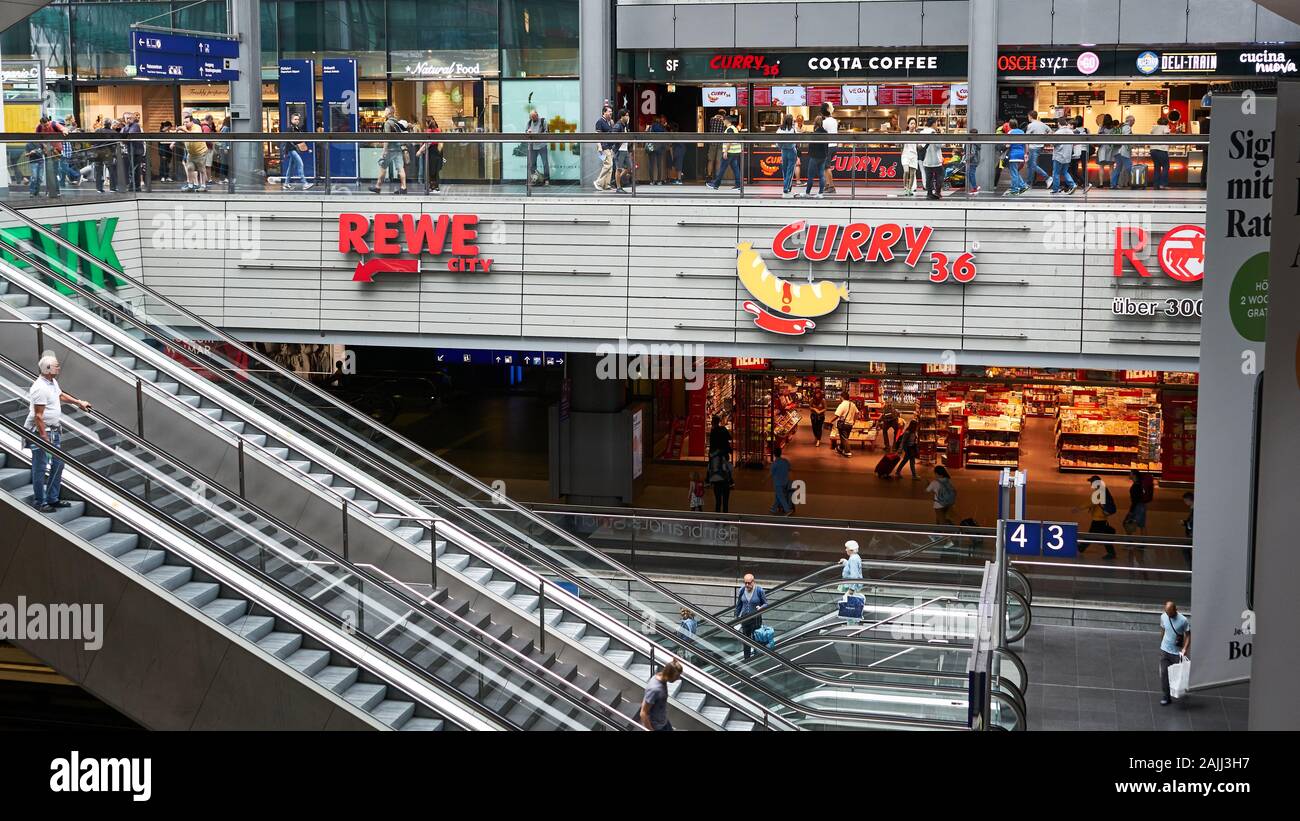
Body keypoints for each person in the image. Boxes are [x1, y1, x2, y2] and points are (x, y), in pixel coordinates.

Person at [26, 354, 93, 513]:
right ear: (47, 369)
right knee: (40, 467)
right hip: (40, 433)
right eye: (56, 365)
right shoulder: (39, 388)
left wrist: (79, 402)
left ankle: (52, 498)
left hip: (53, 430)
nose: (59, 367)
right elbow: (38, 416)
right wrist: (44, 439)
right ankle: (39, 501)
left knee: (58, 463)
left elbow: (60, 395)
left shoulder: (51, 382)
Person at [1158, 601, 1190, 706]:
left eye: (1170, 613)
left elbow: (1188, 635)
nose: (1168, 615)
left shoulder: (1183, 620)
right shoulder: (1163, 616)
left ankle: (1181, 689)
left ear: (1175, 610)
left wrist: (1185, 648)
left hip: (1176, 653)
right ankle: (1166, 696)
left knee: (1177, 675)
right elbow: (1162, 629)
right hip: (1165, 650)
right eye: (1166, 612)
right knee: (1164, 674)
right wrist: (1161, 643)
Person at [370, 106, 408, 195]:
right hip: (398, 148)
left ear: (390, 113)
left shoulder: (387, 123)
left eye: (386, 111)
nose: (384, 112)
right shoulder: (396, 122)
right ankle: (404, 187)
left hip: (390, 149)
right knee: (400, 168)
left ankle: (378, 187)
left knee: (383, 167)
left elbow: (387, 139)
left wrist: (384, 151)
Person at [1078, 475, 1117, 559]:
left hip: (1099, 518)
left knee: (1095, 535)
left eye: (1091, 482)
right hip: (1101, 517)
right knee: (1096, 534)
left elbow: (1091, 502)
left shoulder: (1100, 491)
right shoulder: (1102, 490)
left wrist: (1078, 508)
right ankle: (1082, 547)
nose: (1091, 484)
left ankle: (1111, 553)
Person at [639, 658, 683, 730]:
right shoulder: (655, 689)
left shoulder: (660, 677)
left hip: (664, 722)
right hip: (657, 727)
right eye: (676, 676)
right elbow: (643, 713)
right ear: (669, 674)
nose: (678, 678)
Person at [705, 113, 743, 192]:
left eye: (724, 120)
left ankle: (716, 184)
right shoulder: (734, 128)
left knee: (722, 168)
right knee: (735, 168)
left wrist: (725, 151)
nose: (723, 122)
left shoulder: (729, 129)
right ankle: (738, 185)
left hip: (730, 152)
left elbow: (730, 140)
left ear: (727, 121)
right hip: (735, 152)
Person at [734, 574, 767, 661]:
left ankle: (757, 658)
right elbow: (739, 605)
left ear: (753, 582)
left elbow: (766, 603)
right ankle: (747, 659)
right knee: (746, 639)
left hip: (756, 618)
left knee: (756, 639)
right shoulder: (742, 590)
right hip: (745, 618)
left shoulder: (759, 590)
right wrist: (736, 617)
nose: (747, 585)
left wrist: (761, 608)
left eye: (749, 583)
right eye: (745, 583)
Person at [797, 115, 828, 198]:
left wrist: (809, 154)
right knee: (821, 174)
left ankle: (807, 193)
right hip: (823, 156)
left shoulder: (814, 133)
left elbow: (811, 146)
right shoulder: (825, 132)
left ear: (815, 123)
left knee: (810, 175)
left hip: (815, 156)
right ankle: (820, 193)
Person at [281, 112, 311, 190]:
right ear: (291, 120)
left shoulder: (297, 128)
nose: (297, 120)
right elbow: (287, 140)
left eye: (298, 119)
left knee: (290, 167)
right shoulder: (290, 129)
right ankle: (304, 183)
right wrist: (286, 152)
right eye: (295, 119)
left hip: (294, 149)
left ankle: (286, 184)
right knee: (300, 164)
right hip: (292, 150)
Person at [1023, 110, 1052, 188]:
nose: (1028, 118)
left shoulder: (1031, 125)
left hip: (1033, 147)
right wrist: (1044, 139)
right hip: (1040, 146)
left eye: (1028, 116)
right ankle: (1029, 183)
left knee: (1032, 165)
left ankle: (1047, 177)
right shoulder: (1042, 124)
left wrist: (1026, 151)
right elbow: (1050, 131)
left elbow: (1026, 138)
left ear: (1030, 116)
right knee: (1030, 165)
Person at [180, 114, 209, 193]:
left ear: (192, 122)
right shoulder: (184, 128)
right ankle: (190, 186)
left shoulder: (197, 127)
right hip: (191, 153)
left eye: (187, 122)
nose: (185, 124)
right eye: (184, 122)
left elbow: (194, 136)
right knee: (189, 168)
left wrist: (184, 130)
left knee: (201, 169)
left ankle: (203, 186)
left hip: (201, 152)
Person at [414, 116, 443, 193]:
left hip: (431, 152)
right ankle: (435, 187)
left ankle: (433, 187)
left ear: (427, 123)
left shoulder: (429, 131)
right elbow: (441, 142)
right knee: (435, 170)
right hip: (437, 152)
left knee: (431, 170)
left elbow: (428, 143)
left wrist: (419, 151)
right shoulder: (438, 130)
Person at [524, 108, 551, 186]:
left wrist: (539, 135)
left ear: (537, 115)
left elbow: (547, 132)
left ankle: (546, 179)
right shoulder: (529, 123)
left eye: (534, 117)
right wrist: (528, 132)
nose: (533, 118)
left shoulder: (543, 121)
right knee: (532, 164)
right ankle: (533, 179)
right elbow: (525, 132)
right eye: (532, 117)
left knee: (545, 163)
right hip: (532, 145)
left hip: (542, 145)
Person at [919, 118, 944, 200]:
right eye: (936, 123)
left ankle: (929, 193)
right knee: (939, 176)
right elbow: (940, 145)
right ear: (933, 124)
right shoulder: (934, 133)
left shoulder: (922, 132)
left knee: (928, 178)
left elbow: (920, 146)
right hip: (936, 159)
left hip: (926, 159)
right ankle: (937, 192)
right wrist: (942, 134)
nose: (937, 125)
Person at [1124, 469, 1154, 536]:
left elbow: (1135, 501)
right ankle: (1143, 543)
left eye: (1130, 473)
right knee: (1142, 525)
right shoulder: (1140, 484)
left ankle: (1129, 542)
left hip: (1137, 507)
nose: (1129, 475)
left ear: (1134, 475)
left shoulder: (1136, 486)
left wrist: (1131, 511)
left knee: (1128, 523)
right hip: (1143, 506)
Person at [92, 119, 119, 193]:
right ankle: (112, 188)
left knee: (98, 171)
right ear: (110, 124)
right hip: (108, 152)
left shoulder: (98, 131)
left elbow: (92, 141)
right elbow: (116, 143)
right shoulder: (114, 132)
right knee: (111, 170)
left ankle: (99, 188)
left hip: (97, 152)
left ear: (104, 124)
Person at [593, 105, 615, 191]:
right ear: (604, 112)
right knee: (608, 164)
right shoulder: (600, 121)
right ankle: (598, 182)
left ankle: (606, 184)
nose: (611, 113)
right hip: (604, 146)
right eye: (609, 111)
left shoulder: (609, 122)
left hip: (609, 146)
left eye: (611, 111)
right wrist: (599, 146)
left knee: (610, 166)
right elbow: (597, 135)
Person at [776, 113, 798, 197]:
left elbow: (777, 141)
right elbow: (797, 140)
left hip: (783, 151)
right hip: (792, 151)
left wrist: (780, 147)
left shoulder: (779, 129)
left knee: (784, 170)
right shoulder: (792, 129)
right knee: (790, 171)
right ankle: (786, 188)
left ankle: (786, 186)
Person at [610, 109, 632, 193]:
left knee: (629, 168)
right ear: (622, 116)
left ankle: (616, 180)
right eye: (626, 115)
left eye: (628, 115)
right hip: (619, 150)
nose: (628, 117)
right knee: (618, 169)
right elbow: (613, 137)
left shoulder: (625, 125)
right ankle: (618, 187)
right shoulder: (617, 125)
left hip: (625, 149)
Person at [1004, 119, 1027, 196]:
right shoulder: (1022, 132)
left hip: (1013, 154)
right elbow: (1026, 144)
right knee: (1015, 171)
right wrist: (1026, 153)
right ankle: (1023, 185)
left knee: (1013, 173)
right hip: (1021, 154)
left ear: (1010, 125)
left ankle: (1014, 190)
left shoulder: (1010, 132)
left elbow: (1008, 145)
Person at [1111, 115, 1135, 189]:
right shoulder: (1127, 127)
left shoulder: (1120, 126)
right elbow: (1126, 138)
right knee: (1130, 167)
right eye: (1133, 121)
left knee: (1118, 168)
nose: (1134, 123)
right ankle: (1135, 182)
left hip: (1116, 150)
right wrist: (1131, 144)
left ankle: (1113, 184)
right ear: (1130, 121)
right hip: (1123, 151)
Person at [832, 390, 857, 457]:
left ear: (842, 397)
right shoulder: (852, 404)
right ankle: (840, 448)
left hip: (843, 424)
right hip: (850, 424)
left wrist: (830, 421)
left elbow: (837, 415)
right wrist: (854, 420)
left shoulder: (842, 405)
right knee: (844, 437)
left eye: (840, 397)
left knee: (844, 438)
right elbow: (857, 413)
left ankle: (848, 452)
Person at [707, 448, 733, 513]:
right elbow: (730, 474)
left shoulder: (712, 463)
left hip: (716, 483)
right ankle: (725, 517)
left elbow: (709, 472)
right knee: (725, 502)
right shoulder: (728, 464)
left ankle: (717, 517)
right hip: (725, 484)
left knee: (718, 502)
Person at [820, 103, 838, 193]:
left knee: (826, 167)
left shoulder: (824, 122)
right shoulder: (834, 121)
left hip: (828, 146)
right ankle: (827, 185)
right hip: (834, 145)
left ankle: (831, 186)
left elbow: (820, 133)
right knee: (824, 166)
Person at [769, 446, 793, 516]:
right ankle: (774, 508)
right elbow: (789, 469)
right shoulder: (785, 461)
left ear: (774, 454)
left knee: (780, 496)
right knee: (778, 495)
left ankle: (787, 510)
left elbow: (771, 473)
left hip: (778, 483)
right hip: (785, 482)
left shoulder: (775, 463)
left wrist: (764, 479)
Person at [900, 117, 920, 195]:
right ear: (908, 124)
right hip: (905, 155)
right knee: (906, 171)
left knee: (912, 174)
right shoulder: (904, 133)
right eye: (911, 123)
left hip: (914, 155)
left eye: (914, 123)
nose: (913, 125)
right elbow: (900, 144)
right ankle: (905, 187)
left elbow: (918, 146)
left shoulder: (917, 135)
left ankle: (910, 189)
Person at [1095, 114, 1117, 188]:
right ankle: (1112, 184)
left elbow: (1098, 137)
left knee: (1101, 166)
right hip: (1111, 148)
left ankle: (1101, 183)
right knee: (1111, 167)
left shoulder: (1102, 128)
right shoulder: (1114, 128)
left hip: (1103, 148)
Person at [1150, 116, 1171, 190]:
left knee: (1157, 168)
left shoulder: (1154, 127)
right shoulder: (1165, 127)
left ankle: (1156, 185)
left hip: (1153, 150)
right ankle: (1163, 184)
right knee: (1166, 167)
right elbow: (1167, 136)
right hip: (1162, 149)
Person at [1070, 115, 1090, 191]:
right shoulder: (1086, 130)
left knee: (1074, 168)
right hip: (1084, 150)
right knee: (1084, 167)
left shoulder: (1073, 130)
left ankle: (1077, 182)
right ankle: (1085, 183)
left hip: (1076, 150)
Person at [646, 114, 666, 185]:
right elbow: (664, 134)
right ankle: (659, 180)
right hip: (659, 147)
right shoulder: (660, 126)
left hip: (652, 147)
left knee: (651, 165)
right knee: (659, 165)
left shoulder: (651, 126)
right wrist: (664, 126)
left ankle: (651, 180)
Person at [706, 109, 727, 179]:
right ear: (723, 114)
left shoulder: (712, 119)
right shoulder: (723, 121)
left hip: (712, 142)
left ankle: (709, 176)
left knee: (711, 160)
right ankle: (717, 176)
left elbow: (710, 127)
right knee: (718, 160)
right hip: (720, 142)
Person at [668, 118, 686, 184]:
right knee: (679, 165)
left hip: (678, 151)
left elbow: (670, 146)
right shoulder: (678, 134)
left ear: (672, 129)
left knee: (678, 165)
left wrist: (672, 157)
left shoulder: (673, 135)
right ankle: (678, 179)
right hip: (682, 150)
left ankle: (679, 180)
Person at [964, 128, 981, 195]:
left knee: (970, 174)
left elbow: (972, 153)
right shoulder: (977, 141)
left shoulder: (973, 142)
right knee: (970, 173)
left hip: (972, 160)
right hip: (975, 160)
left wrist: (967, 159)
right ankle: (975, 187)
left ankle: (975, 188)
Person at [1181, 492, 1194, 567]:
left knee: (1185, 549)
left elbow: (1191, 523)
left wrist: (1185, 523)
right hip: (1191, 534)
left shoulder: (1194, 510)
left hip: (1191, 535)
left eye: (1185, 501)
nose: (1185, 503)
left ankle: (1191, 568)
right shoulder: (1193, 509)